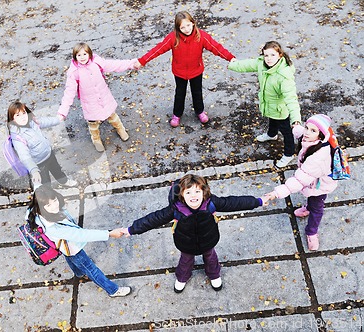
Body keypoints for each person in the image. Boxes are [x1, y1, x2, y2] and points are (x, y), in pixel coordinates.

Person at [121, 174, 269, 293]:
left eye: (197, 191)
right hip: (186, 243)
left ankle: (214, 274)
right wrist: (131, 229)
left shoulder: (211, 203)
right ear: (182, 195)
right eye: (189, 192)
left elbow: (234, 203)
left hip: (208, 240)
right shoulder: (175, 209)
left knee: (211, 257)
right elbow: (152, 219)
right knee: (185, 261)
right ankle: (182, 277)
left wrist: (258, 201)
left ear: (204, 192)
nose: (194, 196)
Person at [133, 11, 236, 127]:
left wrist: (230, 58)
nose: (186, 29)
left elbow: (216, 47)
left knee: (197, 92)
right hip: (180, 72)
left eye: (188, 25)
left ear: (193, 23)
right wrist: (142, 61)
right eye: (182, 27)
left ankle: (200, 111)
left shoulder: (201, 36)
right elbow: (158, 49)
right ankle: (177, 114)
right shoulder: (173, 38)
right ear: (178, 28)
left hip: (196, 71)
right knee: (180, 93)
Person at [30, 185, 132, 297]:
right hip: (73, 248)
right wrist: (109, 233)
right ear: (41, 206)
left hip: (63, 246)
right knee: (92, 271)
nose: (54, 206)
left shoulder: (35, 212)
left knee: (69, 256)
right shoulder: (54, 227)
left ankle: (79, 273)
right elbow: (81, 235)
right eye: (48, 205)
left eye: (54, 200)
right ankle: (113, 290)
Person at [265, 114, 337, 251]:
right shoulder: (312, 139)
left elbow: (299, 179)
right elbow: (300, 133)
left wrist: (276, 193)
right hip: (313, 181)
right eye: (307, 127)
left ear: (321, 135)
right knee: (311, 199)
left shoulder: (318, 158)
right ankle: (307, 208)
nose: (307, 133)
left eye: (313, 131)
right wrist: (296, 125)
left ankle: (312, 232)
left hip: (320, 186)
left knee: (317, 208)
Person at [228, 41, 302, 168]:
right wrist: (233, 64)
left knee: (286, 132)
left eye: (272, 55)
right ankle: (272, 135)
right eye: (266, 55)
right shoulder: (261, 63)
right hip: (269, 105)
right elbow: (246, 65)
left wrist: (296, 119)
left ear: (280, 55)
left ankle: (289, 154)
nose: (268, 59)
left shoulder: (283, 76)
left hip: (280, 110)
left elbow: (291, 99)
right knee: (272, 120)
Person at [58, 42, 138, 152]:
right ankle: (96, 139)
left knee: (112, 116)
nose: (82, 57)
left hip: (104, 96)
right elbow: (69, 93)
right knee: (93, 123)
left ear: (89, 54)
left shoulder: (97, 63)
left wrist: (132, 64)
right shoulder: (74, 73)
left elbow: (114, 65)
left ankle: (120, 129)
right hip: (90, 102)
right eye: (79, 55)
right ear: (75, 57)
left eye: (84, 54)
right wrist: (62, 112)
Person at [7, 101, 77, 188]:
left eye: (24, 113)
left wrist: (58, 119)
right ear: (12, 119)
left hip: (48, 153)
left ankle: (64, 181)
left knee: (57, 170)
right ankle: (49, 195)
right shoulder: (17, 137)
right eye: (18, 115)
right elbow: (24, 155)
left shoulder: (32, 122)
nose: (22, 117)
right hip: (39, 163)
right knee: (45, 182)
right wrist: (34, 171)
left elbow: (44, 121)